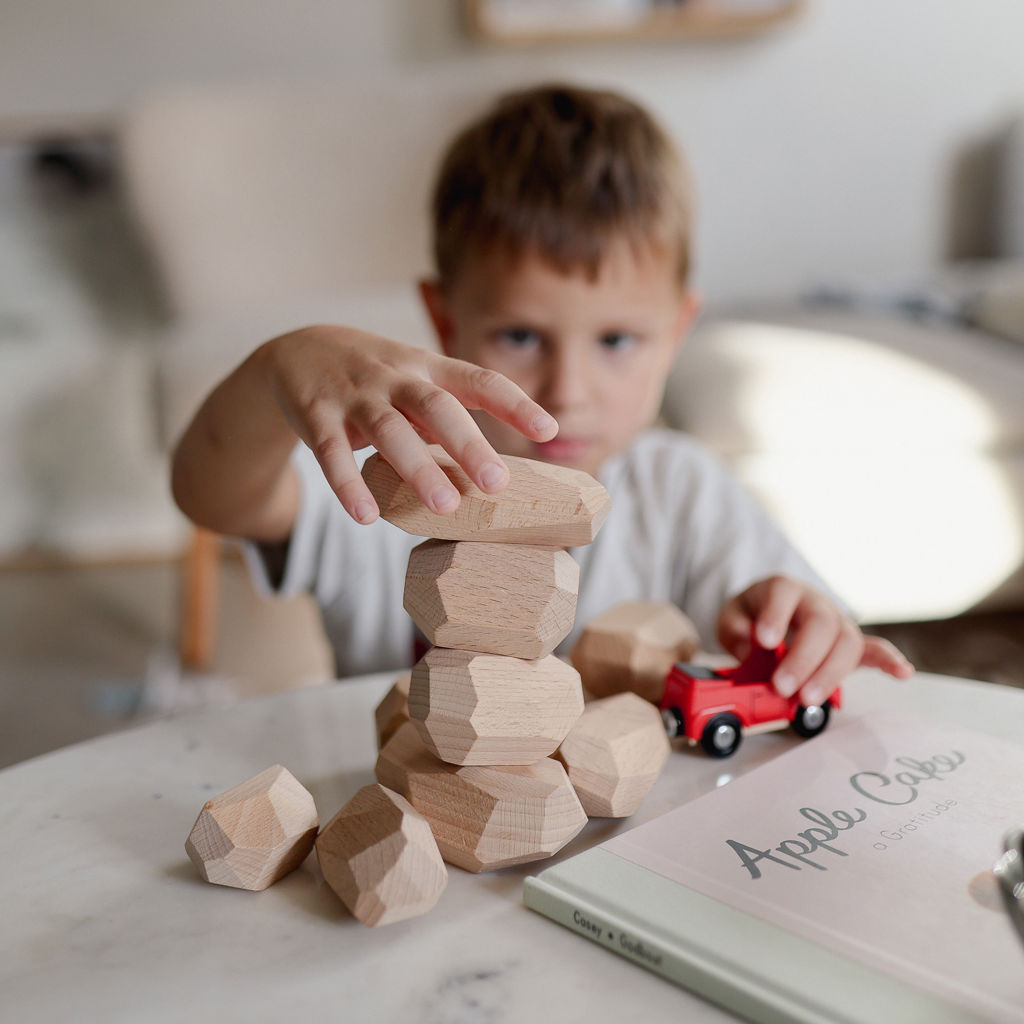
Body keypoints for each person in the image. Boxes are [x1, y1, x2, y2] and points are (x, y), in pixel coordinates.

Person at [171, 82, 913, 703]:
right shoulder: (385, 472)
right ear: (444, 320)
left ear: (676, 332)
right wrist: (275, 370)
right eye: (522, 337)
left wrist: (804, 628)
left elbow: (806, 634)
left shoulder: (683, 494)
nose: (567, 391)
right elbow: (212, 495)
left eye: (616, 341)